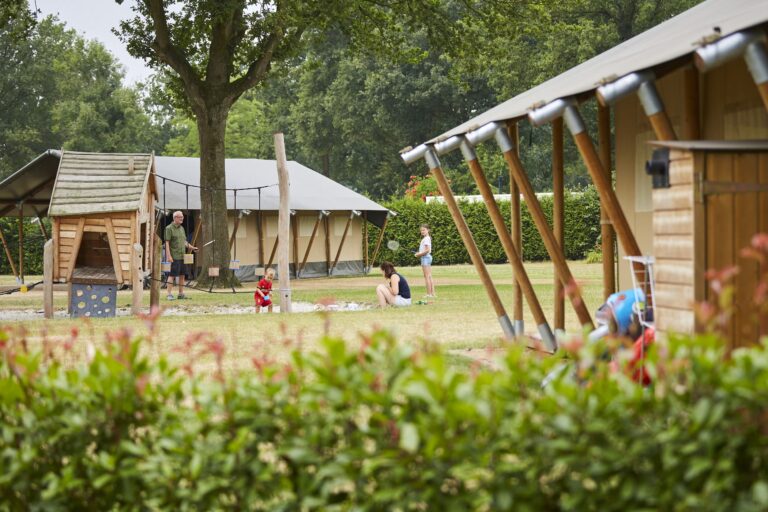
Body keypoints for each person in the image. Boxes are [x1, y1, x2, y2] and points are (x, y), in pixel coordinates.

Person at [164, 211, 197, 300]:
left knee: (182, 275)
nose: (182, 218)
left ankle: (181, 293)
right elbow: (167, 243)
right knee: (172, 275)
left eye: (182, 217)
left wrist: (192, 247)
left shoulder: (182, 228)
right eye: (180, 217)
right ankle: (169, 294)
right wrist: (168, 256)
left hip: (182, 256)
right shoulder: (169, 228)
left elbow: (184, 242)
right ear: (175, 218)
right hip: (174, 256)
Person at [414, 224, 436, 297]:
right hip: (427, 257)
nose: (422, 231)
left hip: (425, 258)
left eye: (424, 230)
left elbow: (427, 250)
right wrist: (419, 253)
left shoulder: (426, 239)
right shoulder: (427, 238)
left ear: (428, 230)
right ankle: (433, 294)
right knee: (429, 276)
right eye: (421, 230)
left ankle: (429, 294)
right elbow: (425, 250)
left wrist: (419, 255)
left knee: (426, 276)